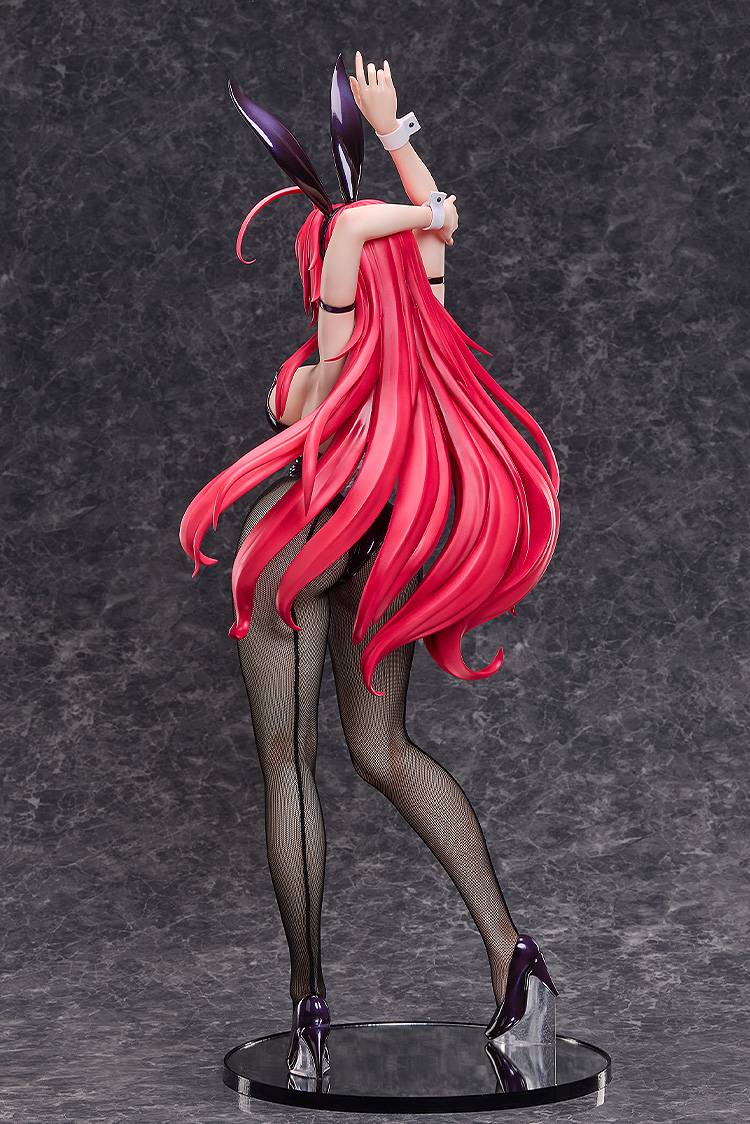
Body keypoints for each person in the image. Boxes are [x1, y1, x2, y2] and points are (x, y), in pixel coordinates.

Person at [179, 52, 561, 1083]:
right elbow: (425, 229)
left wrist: (402, 192)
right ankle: (514, 957)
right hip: (388, 538)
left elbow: (355, 230)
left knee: (290, 766)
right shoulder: (422, 304)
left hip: (305, 540)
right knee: (384, 753)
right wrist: (399, 142)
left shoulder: (337, 325)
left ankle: (307, 1004)